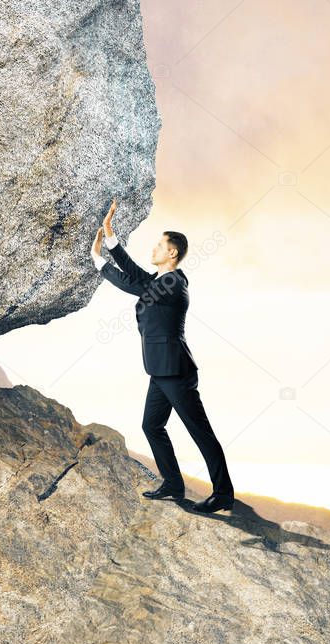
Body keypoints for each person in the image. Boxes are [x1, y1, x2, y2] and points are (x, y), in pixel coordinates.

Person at [90, 198, 235, 513]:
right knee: (151, 425)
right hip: (160, 369)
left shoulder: (173, 282)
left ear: (172, 253)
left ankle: (223, 493)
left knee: (200, 431)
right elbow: (137, 276)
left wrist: (98, 260)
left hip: (176, 371)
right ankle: (173, 483)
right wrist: (111, 239)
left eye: (159, 245)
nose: (153, 249)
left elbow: (134, 284)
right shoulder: (161, 281)